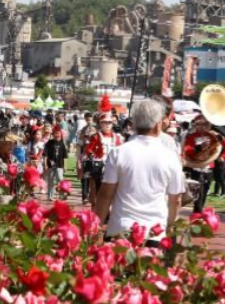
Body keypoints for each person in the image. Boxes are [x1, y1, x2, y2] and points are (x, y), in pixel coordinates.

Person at [93, 99, 185, 239]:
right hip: (155, 231)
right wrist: (169, 228)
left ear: (134, 123)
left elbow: (105, 194)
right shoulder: (170, 157)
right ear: (158, 124)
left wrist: (97, 229)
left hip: (121, 228)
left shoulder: (119, 152)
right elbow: (176, 200)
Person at [85, 97, 123, 205]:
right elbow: (89, 150)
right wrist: (93, 156)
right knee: (97, 190)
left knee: (113, 191)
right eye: (105, 122)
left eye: (109, 123)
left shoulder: (117, 137)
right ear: (101, 124)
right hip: (99, 166)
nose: (107, 125)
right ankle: (96, 208)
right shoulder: (96, 136)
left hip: (113, 166)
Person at [76, 112, 97, 200]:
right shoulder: (83, 129)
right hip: (85, 154)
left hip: (94, 155)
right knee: (84, 176)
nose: (89, 120)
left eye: (90, 118)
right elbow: (79, 143)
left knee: (93, 177)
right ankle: (84, 195)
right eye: (87, 119)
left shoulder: (97, 129)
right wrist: (83, 138)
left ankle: (93, 196)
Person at [44, 126, 68, 200]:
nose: (57, 135)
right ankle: (50, 196)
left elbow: (65, 156)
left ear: (61, 134)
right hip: (50, 165)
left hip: (59, 165)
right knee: (50, 180)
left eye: (58, 133)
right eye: (56, 133)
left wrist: (65, 165)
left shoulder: (62, 143)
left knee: (60, 179)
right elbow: (45, 155)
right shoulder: (49, 143)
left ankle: (61, 194)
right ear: (53, 134)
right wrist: (45, 164)